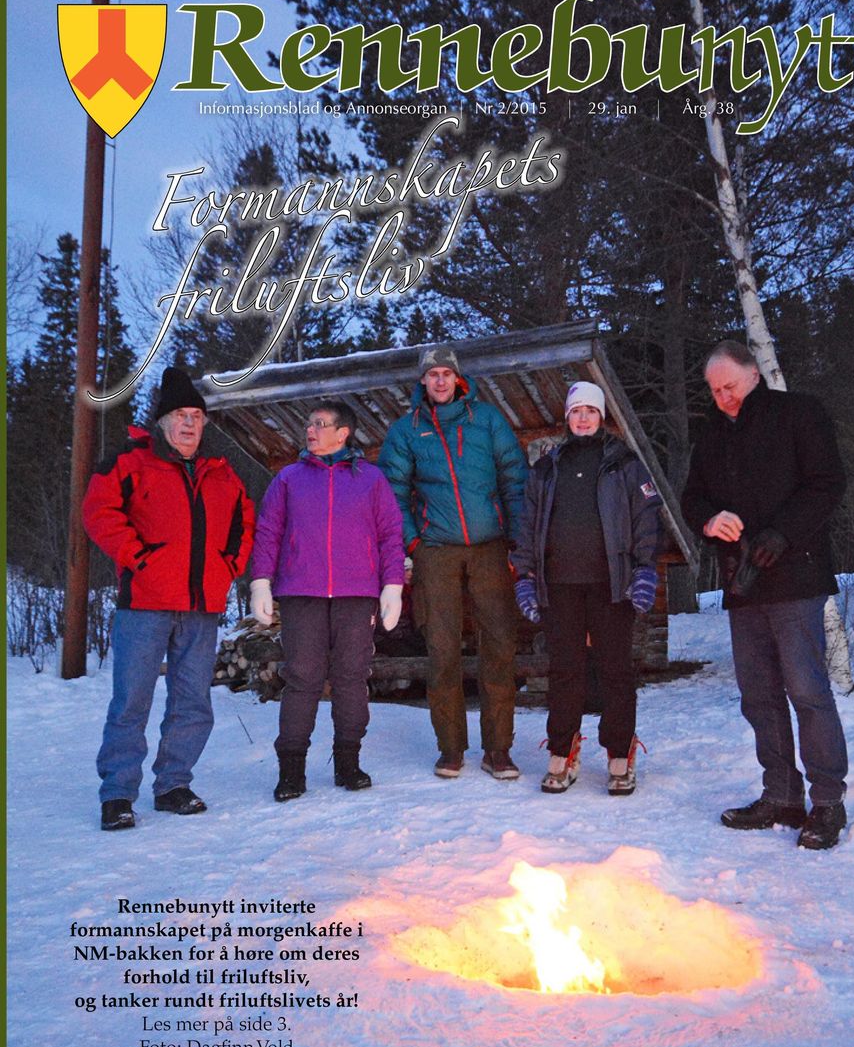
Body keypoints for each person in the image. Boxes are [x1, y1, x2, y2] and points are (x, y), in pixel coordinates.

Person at [681, 340, 849, 850]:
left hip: (795, 576)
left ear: (753, 373)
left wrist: (784, 532)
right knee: (759, 697)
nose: (723, 398)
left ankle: (826, 802)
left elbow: (827, 483)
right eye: (714, 391)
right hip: (743, 583)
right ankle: (781, 795)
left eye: (729, 386)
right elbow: (692, 497)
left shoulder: (799, 413)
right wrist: (710, 519)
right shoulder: (711, 436)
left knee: (808, 692)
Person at [83, 367, 254, 830]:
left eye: (197, 416)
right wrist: (139, 558)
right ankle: (117, 794)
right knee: (131, 701)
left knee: (193, 701)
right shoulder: (129, 462)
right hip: (144, 604)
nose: (189, 424)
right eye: (180, 415)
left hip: (202, 606)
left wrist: (229, 567)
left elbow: (245, 524)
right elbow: (98, 513)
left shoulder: (222, 474)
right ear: (162, 421)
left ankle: (173, 783)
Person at [378, 344, 528, 779]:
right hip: (436, 552)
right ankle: (451, 748)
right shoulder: (407, 431)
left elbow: (514, 479)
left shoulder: (487, 421)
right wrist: (413, 544)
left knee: (499, 644)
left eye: (446, 373)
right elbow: (392, 493)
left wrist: (516, 539)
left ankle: (498, 749)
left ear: (458, 379)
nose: (440, 381)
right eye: (432, 374)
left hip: (490, 547)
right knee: (441, 649)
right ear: (422, 381)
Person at [249, 399, 405, 801]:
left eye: (320, 424)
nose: (310, 430)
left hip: (357, 594)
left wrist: (392, 585)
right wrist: (261, 582)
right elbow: (268, 532)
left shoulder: (371, 480)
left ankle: (348, 763)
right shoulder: (289, 478)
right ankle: (291, 770)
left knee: (352, 677)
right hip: (302, 592)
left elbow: (390, 534)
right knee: (302, 678)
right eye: (309, 424)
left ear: (343, 433)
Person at [512, 382, 661, 795]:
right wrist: (525, 576)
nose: (582, 418)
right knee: (565, 672)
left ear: (601, 417)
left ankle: (619, 755)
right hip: (559, 586)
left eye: (590, 412)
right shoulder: (546, 470)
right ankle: (562, 752)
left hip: (612, 586)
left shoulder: (624, 464)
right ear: (567, 418)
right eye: (576, 411)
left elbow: (647, 520)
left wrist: (645, 570)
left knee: (615, 671)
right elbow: (526, 526)